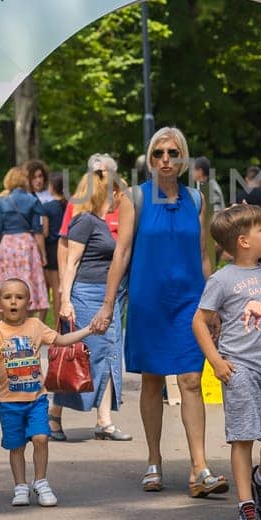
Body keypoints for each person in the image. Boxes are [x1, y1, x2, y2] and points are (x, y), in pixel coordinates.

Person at [97, 126, 228, 497]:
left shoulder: (197, 200)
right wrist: (108, 304)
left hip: (190, 303)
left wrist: (213, 304)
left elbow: (205, 254)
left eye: (172, 153)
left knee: (190, 380)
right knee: (153, 380)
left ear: (183, 158)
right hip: (148, 301)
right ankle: (153, 461)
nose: (166, 160)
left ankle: (199, 468)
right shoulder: (134, 198)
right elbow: (121, 253)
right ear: (150, 159)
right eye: (159, 154)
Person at [192, 203, 261, 520]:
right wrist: (216, 361)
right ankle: (245, 505)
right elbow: (200, 321)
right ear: (243, 241)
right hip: (240, 369)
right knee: (242, 437)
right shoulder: (222, 280)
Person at [0, 278, 96, 507]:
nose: (14, 302)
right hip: (9, 402)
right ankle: (20, 486)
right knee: (17, 446)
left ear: (29, 302)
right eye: (7, 297)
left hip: (37, 399)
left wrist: (87, 330)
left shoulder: (35, 326)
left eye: (20, 297)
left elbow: (61, 340)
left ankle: (41, 482)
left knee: (41, 438)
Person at [51, 154, 132, 441]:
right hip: (86, 294)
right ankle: (54, 417)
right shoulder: (84, 220)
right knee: (79, 355)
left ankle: (104, 420)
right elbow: (70, 261)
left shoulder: (104, 216)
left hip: (112, 294)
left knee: (109, 353)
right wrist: (65, 300)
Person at [0, 166, 48, 321]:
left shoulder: (2, 201)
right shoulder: (33, 200)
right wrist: (43, 255)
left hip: (8, 244)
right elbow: (38, 230)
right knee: (27, 284)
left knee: (5, 284)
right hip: (26, 244)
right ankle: (26, 328)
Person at [30, 160, 66, 315]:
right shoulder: (68, 204)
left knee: (55, 290)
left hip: (51, 249)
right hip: (65, 246)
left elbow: (43, 232)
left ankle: (57, 326)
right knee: (62, 288)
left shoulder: (46, 207)